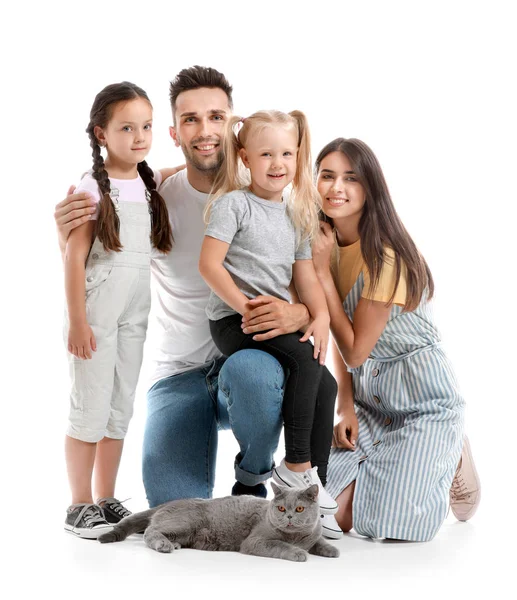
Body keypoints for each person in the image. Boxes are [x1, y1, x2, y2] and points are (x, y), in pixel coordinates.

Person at [54, 68, 315, 522]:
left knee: (253, 374)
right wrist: (68, 236)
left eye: (216, 116)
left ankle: (255, 475)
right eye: (191, 120)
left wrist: (300, 313)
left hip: (247, 362)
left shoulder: (272, 196)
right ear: (174, 133)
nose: (205, 130)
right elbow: (103, 256)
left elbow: (307, 278)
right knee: (176, 509)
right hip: (178, 374)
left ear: (235, 127)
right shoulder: (156, 199)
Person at [307, 137, 481, 540]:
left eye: (351, 178)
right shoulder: (324, 241)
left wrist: (320, 273)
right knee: (328, 513)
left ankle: (451, 449)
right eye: (327, 176)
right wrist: (345, 407)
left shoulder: (386, 256)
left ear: (371, 188)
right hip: (371, 397)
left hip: (424, 401)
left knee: (387, 525)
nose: (337, 187)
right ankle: (408, 455)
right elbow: (338, 334)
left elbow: (354, 348)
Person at [198, 110, 338, 515]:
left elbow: (305, 275)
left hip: (273, 317)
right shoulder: (234, 205)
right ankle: (295, 467)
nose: (277, 164)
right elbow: (209, 265)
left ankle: (311, 494)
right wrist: (243, 306)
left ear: (297, 157)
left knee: (324, 384)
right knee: (303, 362)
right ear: (244, 158)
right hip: (231, 319)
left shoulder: (295, 214)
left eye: (287, 154)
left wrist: (320, 317)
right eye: (265, 155)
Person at [63, 82, 174, 539]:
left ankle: (106, 497)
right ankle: (78, 504)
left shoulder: (149, 182)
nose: (140, 136)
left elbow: (182, 167)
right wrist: (77, 321)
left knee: (119, 404)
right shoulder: (92, 187)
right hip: (98, 308)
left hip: (136, 309)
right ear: (101, 133)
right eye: (126, 127)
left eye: (146, 126)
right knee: (89, 404)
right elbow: (73, 256)